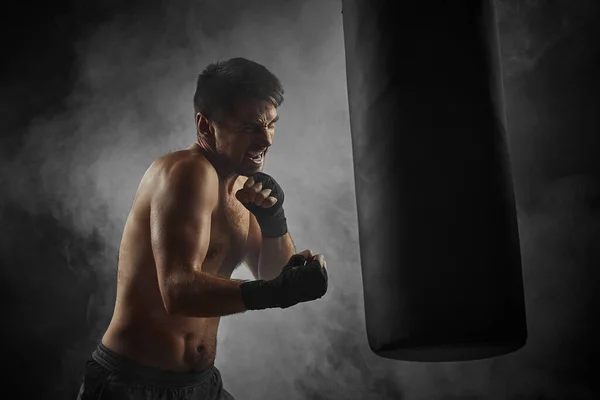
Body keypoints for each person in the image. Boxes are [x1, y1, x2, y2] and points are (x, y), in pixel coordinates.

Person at [76, 57, 329, 400]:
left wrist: (274, 221)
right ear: (206, 125)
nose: (267, 139)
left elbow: (272, 273)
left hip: (202, 385)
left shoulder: (240, 183)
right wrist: (277, 293)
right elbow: (178, 291)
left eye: (272, 124)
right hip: (133, 386)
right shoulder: (186, 173)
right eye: (250, 128)